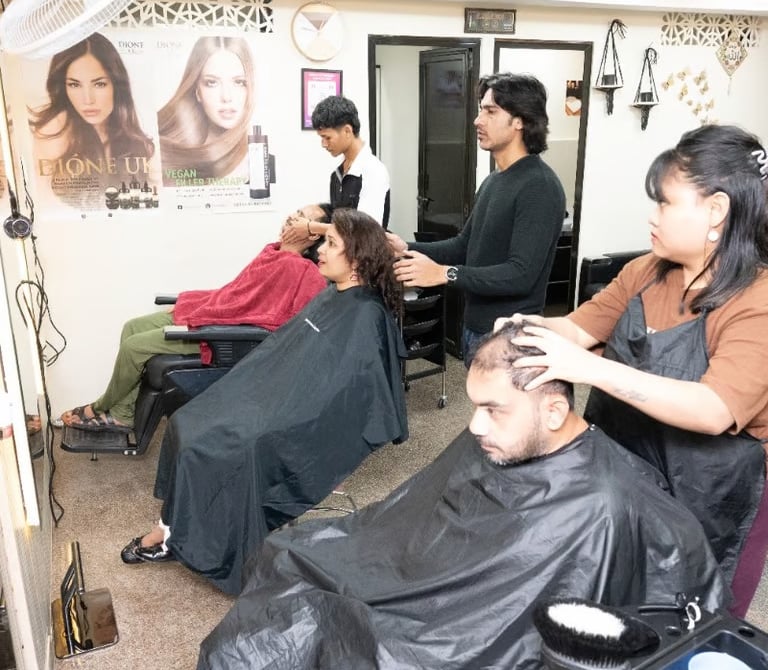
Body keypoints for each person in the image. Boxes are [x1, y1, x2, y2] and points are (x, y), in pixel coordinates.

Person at [195, 322, 726, 670]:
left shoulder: (604, 506)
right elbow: (417, 513)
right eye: (474, 405)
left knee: (335, 631)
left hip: (460, 635)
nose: (474, 425)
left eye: (493, 409)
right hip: (423, 572)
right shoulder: (506, 439)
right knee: (291, 552)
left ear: (553, 411)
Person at [502, 124, 768, 618]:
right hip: (624, 474)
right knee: (615, 601)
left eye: (665, 203)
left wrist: (593, 370)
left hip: (710, 499)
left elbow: (713, 409)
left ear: (716, 210)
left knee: (691, 619)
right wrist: (527, 328)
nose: (652, 216)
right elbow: (577, 329)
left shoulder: (756, 301)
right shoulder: (645, 272)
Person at [120, 210, 409, 596]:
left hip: (300, 418)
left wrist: (280, 412)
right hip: (272, 399)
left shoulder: (365, 315)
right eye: (324, 242)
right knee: (189, 422)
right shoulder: (333, 296)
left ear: (356, 259)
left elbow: (346, 393)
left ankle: (190, 540)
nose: (321, 251)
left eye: (331, 244)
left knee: (220, 447)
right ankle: (177, 528)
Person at [59, 205, 330, 431]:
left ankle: (101, 406)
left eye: (302, 218)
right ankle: (123, 412)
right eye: (295, 212)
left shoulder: (307, 273)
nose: (292, 218)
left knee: (134, 347)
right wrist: (186, 303)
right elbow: (233, 294)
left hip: (222, 335)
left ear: (313, 234)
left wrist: (205, 318)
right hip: (211, 316)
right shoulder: (272, 252)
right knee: (132, 327)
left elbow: (292, 328)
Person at [387, 72, 566, 367]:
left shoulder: (540, 186)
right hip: (477, 329)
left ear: (520, 120)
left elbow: (521, 274)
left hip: (511, 337)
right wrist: (404, 248)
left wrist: (445, 273)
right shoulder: (494, 180)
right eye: (481, 110)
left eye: (490, 111)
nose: (477, 121)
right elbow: (464, 245)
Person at [28, 32, 155, 208]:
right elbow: (46, 206)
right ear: (64, 88)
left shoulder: (132, 138)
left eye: (99, 84)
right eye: (74, 85)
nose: (87, 99)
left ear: (116, 86)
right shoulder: (56, 130)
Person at [283, 95, 391, 248]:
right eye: (321, 138)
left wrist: (311, 227)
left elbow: (367, 231)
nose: (323, 144)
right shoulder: (337, 174)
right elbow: (338, 220)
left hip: (365, 258)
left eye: (327, 137)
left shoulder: (373, 171)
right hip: (341, 254)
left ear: (347, 131)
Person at [157, 36, 255, 183]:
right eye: (212, 83)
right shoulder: (158, 149)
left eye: (239, 82)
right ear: (197, 92)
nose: (226, 97)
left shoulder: (258, 161)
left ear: (250, 88)